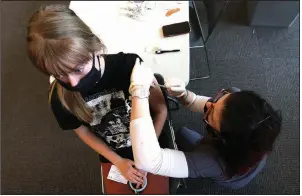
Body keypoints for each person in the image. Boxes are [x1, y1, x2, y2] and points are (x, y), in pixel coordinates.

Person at [26, 5, 167, 185]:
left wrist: (148, 153)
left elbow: (160, 109)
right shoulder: (59, 99)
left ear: (96, 47)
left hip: (154, 139)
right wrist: (117, 160)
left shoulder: (130, 67)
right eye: (59, 74)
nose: (73, 83)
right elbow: (83, 131)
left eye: (78, 69)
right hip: (114, 152)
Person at [128, 63, 282, 189]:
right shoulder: (236, 104)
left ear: (222, 138)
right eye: (221, 97)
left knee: (182, 134)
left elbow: (150, 161)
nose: (209, 103)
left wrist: (138, 91)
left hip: (232, 176)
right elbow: (198, 103)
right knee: (183, 134)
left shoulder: (211, 160)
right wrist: (184, 94)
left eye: (211, 115)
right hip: (249, 157)